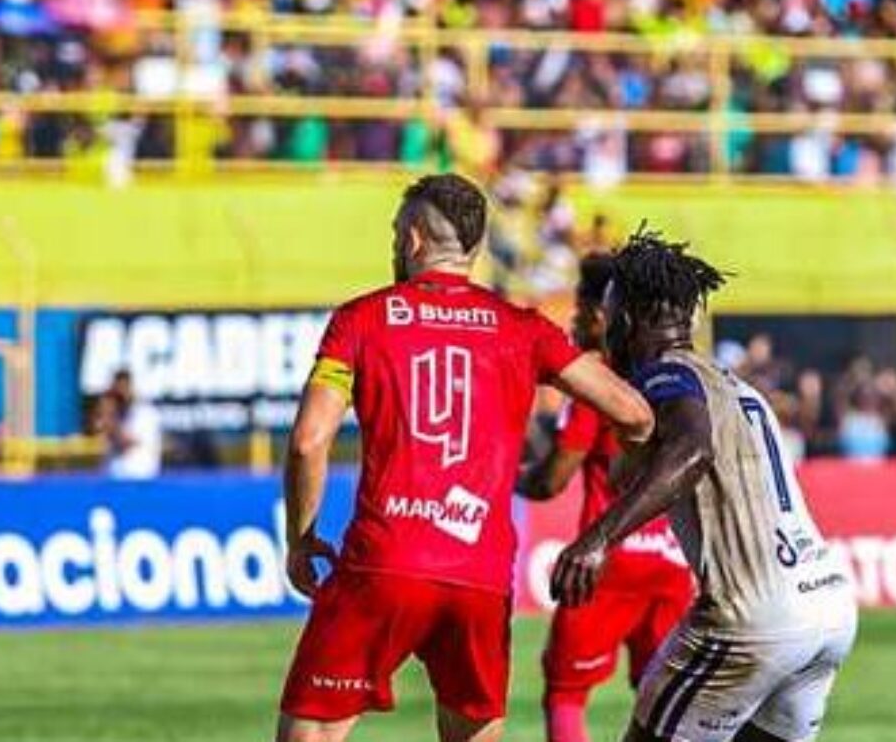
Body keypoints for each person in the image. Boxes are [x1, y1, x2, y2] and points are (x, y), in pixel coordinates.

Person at [275, 174, 654, 742]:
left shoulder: (362, 319)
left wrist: (301, 538)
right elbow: (635, 414)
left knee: (312, 734)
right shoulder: (524, 329)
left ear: (413, 241)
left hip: (384, 561)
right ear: (474, 250)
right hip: (478, 574)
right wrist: (623, 474)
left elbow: (309, 440)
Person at [552, 229, 858, 742]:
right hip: (827, 607)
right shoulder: (737, 386)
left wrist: (598, 538)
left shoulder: (665, 375)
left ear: (627, 320)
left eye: (611, 318)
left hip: (754, 615)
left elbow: (692, 449)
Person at [516, 254, 694, 742]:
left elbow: (553, 479)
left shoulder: (599, 384)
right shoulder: (676, 381)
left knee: (565, 692)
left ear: (604, 313)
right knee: (662, 698)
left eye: (579, 309)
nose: (573, 321)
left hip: (607, 563)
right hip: (673, 561)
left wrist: (511, 478)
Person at [93, 369, 161, 479]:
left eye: (123, 388)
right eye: (116, 389)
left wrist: (108, 420)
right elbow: (98, 432)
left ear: (131, 387)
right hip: (114, 475)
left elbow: (127, 442)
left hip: (138, 478)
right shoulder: (117, 412)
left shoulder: (145, 412)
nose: (120, 393)